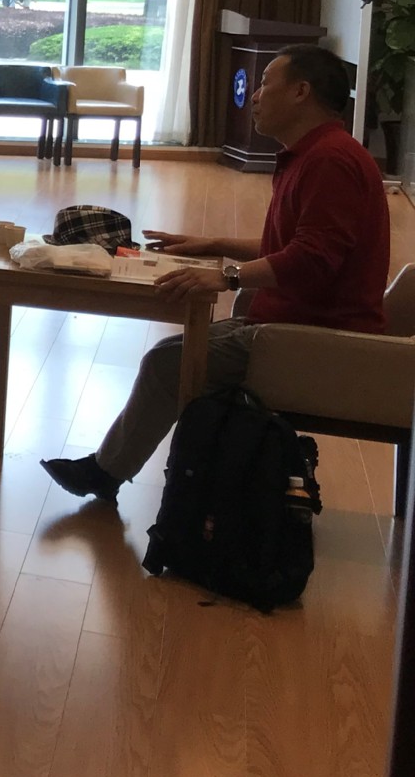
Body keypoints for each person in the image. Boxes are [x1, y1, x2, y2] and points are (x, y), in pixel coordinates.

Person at [42, 45, 389, 505]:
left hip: (314, 338)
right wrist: (213, 245)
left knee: (169, 361)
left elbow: (313, 259)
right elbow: (293, 245)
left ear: (301, 91)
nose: (255, 95)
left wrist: (228, 277)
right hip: (294, 322)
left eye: (265, 83)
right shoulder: (320, 153)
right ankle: (114, 470)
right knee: (173, 352)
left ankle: (115, 474)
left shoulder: (330, 161)